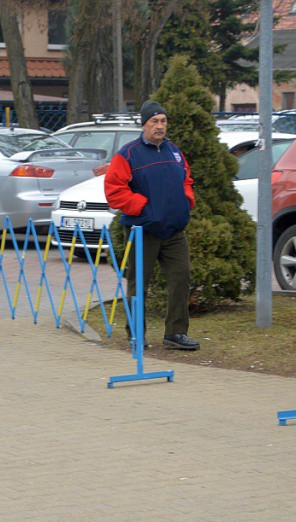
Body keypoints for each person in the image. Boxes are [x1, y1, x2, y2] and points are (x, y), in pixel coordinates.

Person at [104, 100, 200, 351]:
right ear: (144, 125)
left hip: (174, 230)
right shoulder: (127, 154)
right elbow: (114, 191)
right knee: (139, 284)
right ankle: (136, 334)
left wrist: (186, 199)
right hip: (142, 230)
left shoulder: (174, 152)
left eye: (163, 121)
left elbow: (186, 178)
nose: (160, 126)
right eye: (154, 121)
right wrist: (144, 208)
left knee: (181, 278)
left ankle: (176, 333)